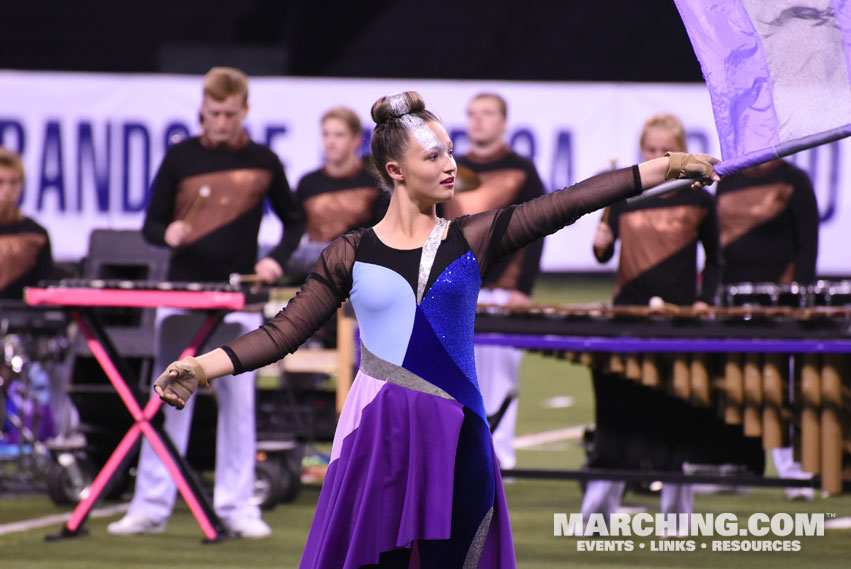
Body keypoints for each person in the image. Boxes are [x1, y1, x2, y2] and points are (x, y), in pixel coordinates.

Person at [151, 91, 717, 567]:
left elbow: (569, 203)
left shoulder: (470, 237)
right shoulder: (350, 253)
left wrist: (664, 168)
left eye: (450, 150)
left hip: (459, 431)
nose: (450, 163)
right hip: (379, 433)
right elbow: (280, 333)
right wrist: (202, 366)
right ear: (395, 171)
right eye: (434, 155)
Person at [107, 67, 304, 539]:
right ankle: (151, 505)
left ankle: (238, 507)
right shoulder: (180, 157)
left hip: (237, 299)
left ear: (245, 111)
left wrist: (276, 259)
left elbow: (294, 221)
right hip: (182, 296)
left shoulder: (263, 159)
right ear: (202, 109)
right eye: (214, 113)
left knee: (239, 402)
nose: (220, 122)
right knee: (168, 394)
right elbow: (151, 225)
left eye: (230, 114)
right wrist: (166, 233)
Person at [583, 113, 723, 534]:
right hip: (627, 314)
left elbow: (716, 259)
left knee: (676, 416)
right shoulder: (624, 195)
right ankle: (597, 513)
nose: (655, 157)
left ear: (679, 152)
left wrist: (702, 302)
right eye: (648, 150)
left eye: (664, 150)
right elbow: (605, 255)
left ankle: (677, 518)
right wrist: (601, 245)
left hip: (677, 319)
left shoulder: (699, 198)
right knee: (617, 415)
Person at [438, 93, 544, 470]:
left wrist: (521, 288)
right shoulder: (450, 166)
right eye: (472, 114)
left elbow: (536, 231)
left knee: (499, 376)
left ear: (504, 122)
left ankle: (500, 460)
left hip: (503, 289)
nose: (477, 121)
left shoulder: (522, 169)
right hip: (455, 288)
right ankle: (459, 458)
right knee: (453, 374)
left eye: (486, 114)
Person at [716, 158, 819, 499]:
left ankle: (794, 471)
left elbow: (807, 243)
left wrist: (795, 294)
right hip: (734, 301)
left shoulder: (794, 181)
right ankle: (740, 466)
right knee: (738, 386)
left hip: (780, 303)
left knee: (782, 386)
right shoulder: (728, 181)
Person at [289, 106, 386, 281]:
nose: (330, 141)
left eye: (339, 135)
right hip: (316, 272)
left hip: (362, 273)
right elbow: (293, 232)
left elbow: (384, 234)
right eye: (326, 134)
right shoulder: (308, 183)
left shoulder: (374, 183)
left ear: (356, 139)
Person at [0, 147, 52, 299]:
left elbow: (44, 291)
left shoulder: (36, 235)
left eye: (14, 182)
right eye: (0, 182)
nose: (7, 190)